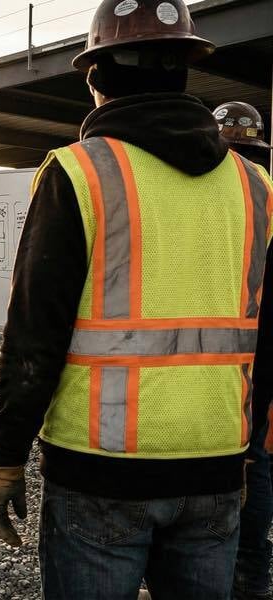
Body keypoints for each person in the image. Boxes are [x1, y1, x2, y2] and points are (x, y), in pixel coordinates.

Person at [0, 1, 273, 598]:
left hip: (99, 470)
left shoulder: (79, 173)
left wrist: (6, 458)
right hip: (216, 465)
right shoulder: (256, 186)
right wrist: (246, 456)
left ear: (96, 79)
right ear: (186, 70)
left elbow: (34, 335)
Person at [215, 102, 273, 600]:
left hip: (237, 357)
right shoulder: (269, 192)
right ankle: (252, 577)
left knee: (244, 458)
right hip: (260, 352)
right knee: (255, 458)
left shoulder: (221, 197)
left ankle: (244, 575)